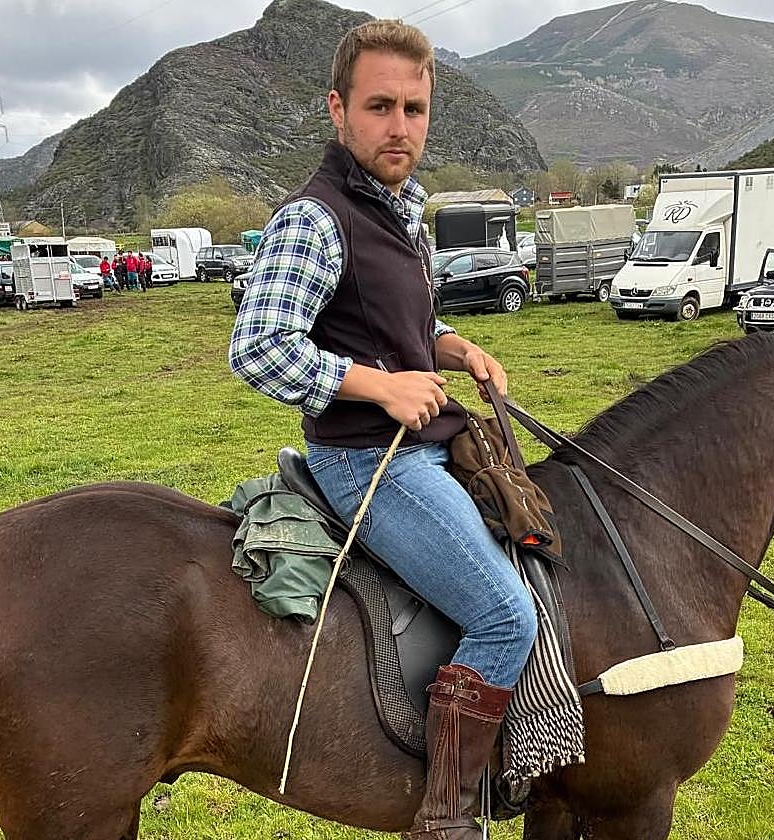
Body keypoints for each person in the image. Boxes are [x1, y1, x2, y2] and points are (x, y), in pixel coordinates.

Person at [228, 20, 535, 840]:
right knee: (506, 616)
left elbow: (398, 327)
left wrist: (455, 348)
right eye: (379, 107)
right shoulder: (316, 219)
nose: (400, 127)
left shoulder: (400, 210)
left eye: (414, 108)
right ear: (338, 110)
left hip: (416, 444)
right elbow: (258, 347)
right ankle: (443, 816)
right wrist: (380, 388)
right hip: (367, 462)